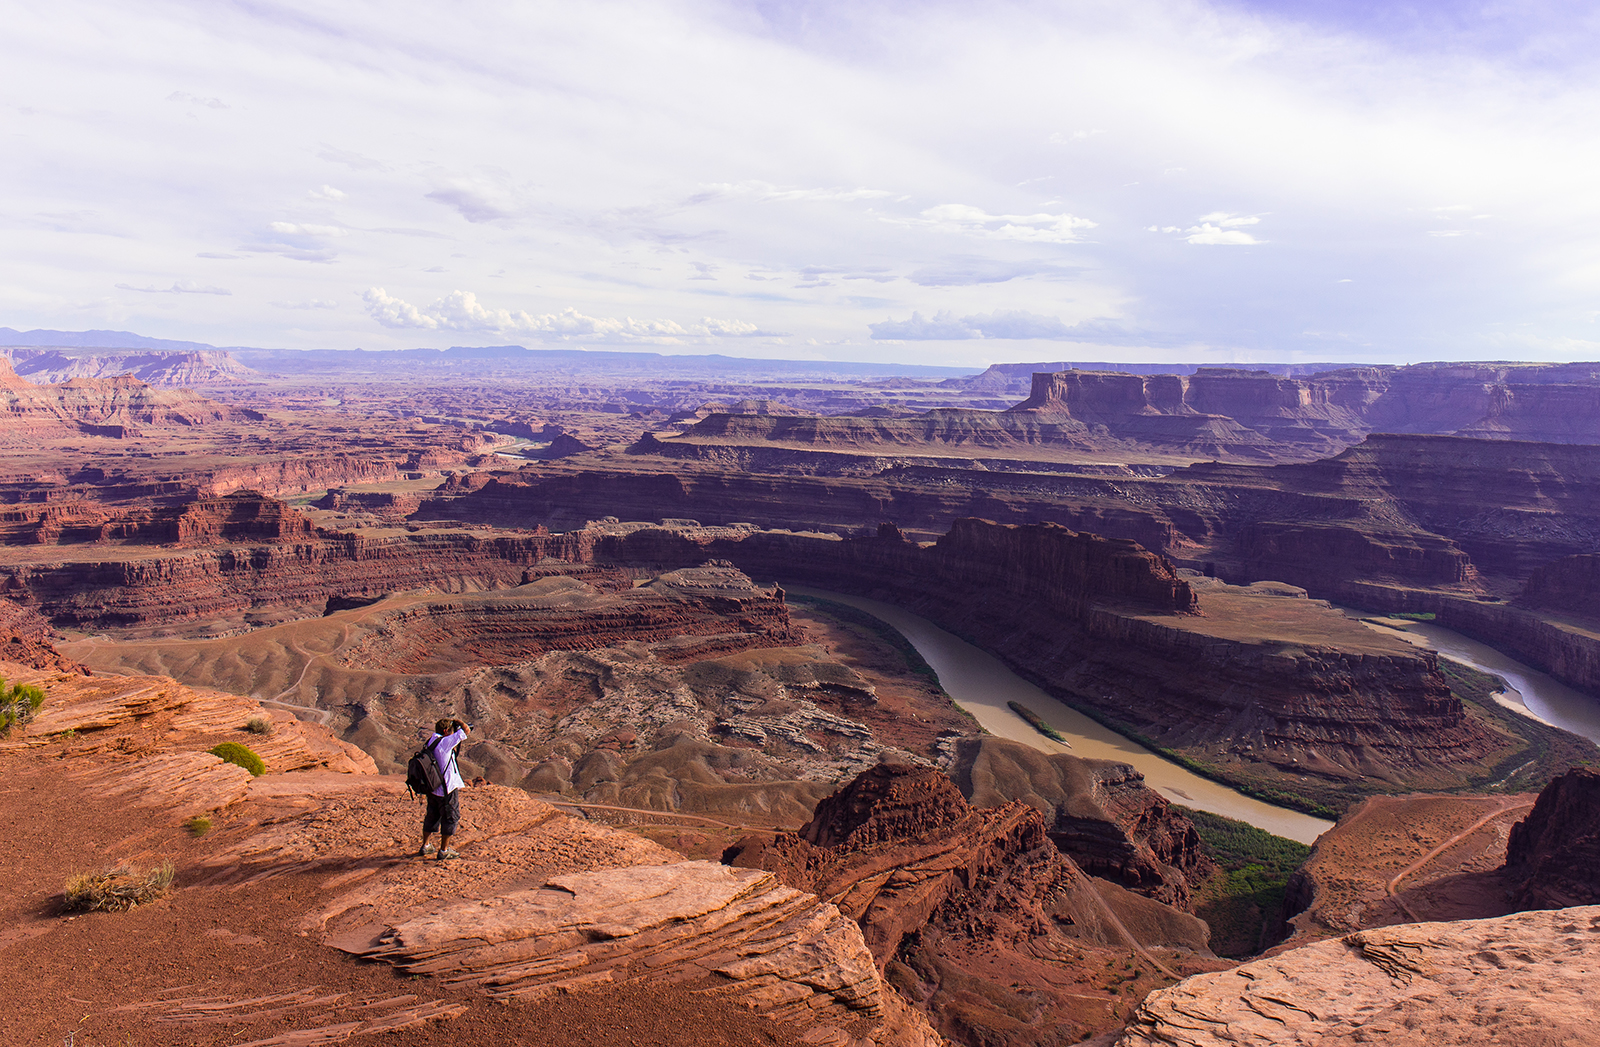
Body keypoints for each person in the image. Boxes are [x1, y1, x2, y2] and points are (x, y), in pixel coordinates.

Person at [419, 717, 470, 860]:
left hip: (433, 788)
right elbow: (466, 730)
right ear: (446, 731)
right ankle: (444, 850)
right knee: (450, 817)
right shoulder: (446, 742)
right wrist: (459, 722)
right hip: (447, 789)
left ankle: (426, 845)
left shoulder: (432, 740)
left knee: (432, 816)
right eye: (452, 731)